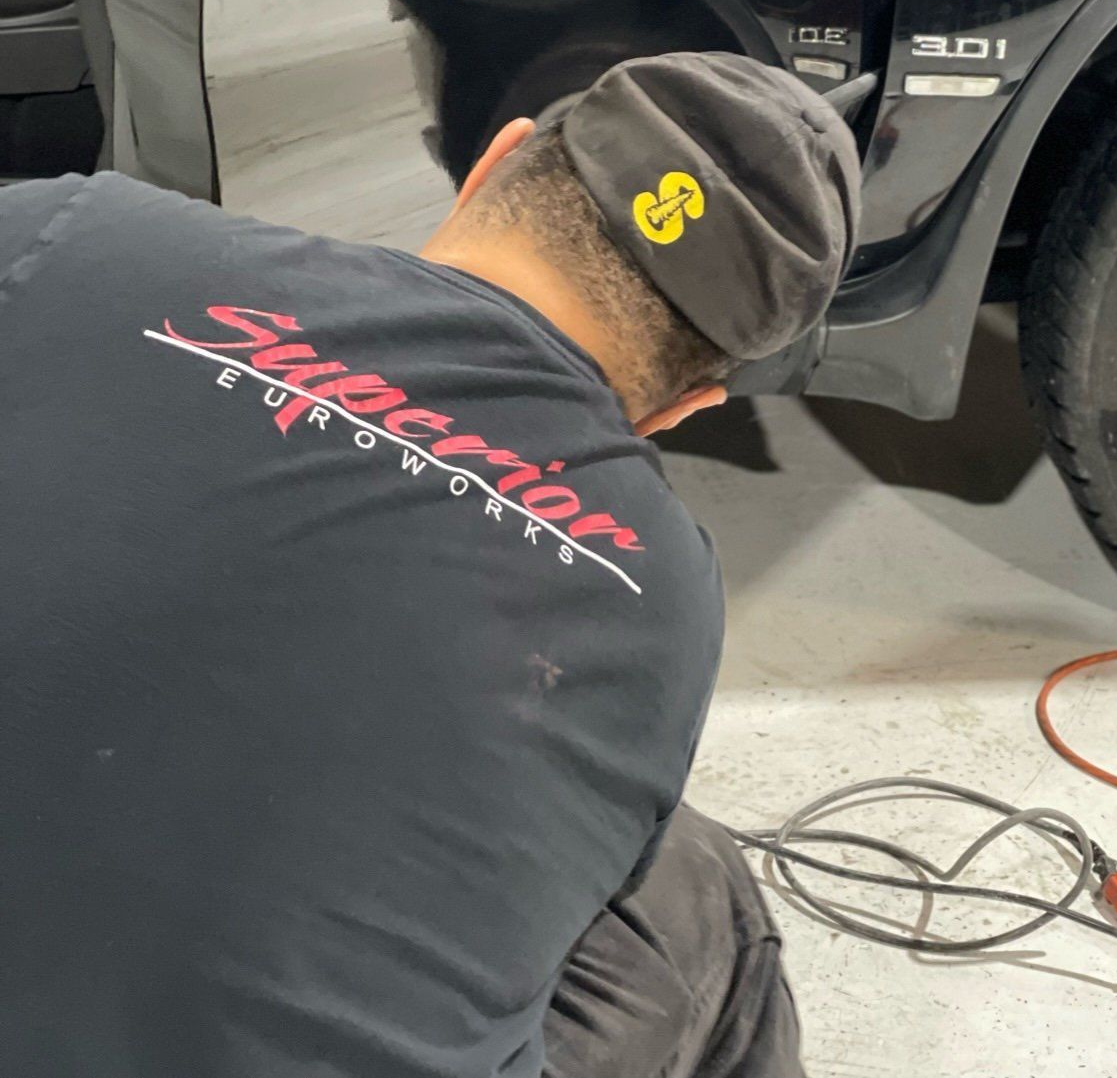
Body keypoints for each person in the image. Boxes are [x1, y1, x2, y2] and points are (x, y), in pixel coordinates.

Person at [0, 52, 861, 1078]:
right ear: (684, 409)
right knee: (695, 890)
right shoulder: (660, 597)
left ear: (489, 162)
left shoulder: (73, 233)